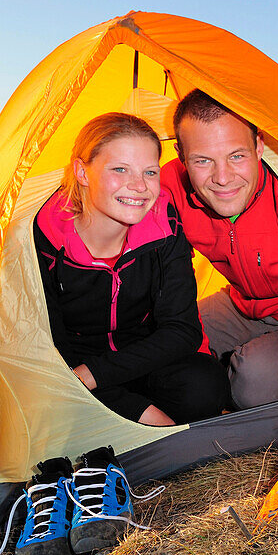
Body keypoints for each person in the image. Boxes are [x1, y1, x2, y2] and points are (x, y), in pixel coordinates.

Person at [34, 112, 228, 426]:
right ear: (82, 172)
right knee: (53, 396)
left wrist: (99, 374)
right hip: (73, 366)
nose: (139, 186)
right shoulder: (44, 239)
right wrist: (138, 411)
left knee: (205, 387)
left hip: (140, 356)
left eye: (150, 172)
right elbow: (48, 349)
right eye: (120, 169)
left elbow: (183, 330)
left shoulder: (165, 226)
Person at [161, 90, 278, 409]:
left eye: (237, 156)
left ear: (259, 145)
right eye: (203, 160)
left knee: (252, 384)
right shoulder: (170, 185)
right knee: (164, 340)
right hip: (240, 305)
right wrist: (198, 352)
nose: (222, 178)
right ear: (181, 155)